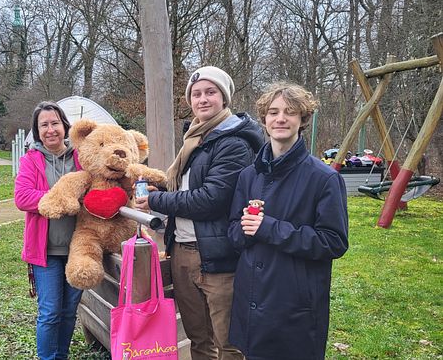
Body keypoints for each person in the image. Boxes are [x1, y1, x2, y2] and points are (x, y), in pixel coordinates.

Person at [134, 66, 263, 360]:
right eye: (196, 94)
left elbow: (211, 200)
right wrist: (156, 188)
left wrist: (158, 201)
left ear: (224, 98)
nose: (202, 99)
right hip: (182, 251)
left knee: (228, 342)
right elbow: (185, 187)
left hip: (218, 257)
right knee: (198, 338)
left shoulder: (234, 142)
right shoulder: (195, 140)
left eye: (210, 92)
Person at [227, 83, 349, 359]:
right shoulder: (248, 176)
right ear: (265, 121)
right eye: (273, 112)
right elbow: (234, 233)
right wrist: (246, 231)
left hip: (294, 308)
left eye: (290, 112)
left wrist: (269, 228)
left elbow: (334, 242)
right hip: (252, 302)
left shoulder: (324, 178)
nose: (280, 118)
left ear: (303, 120)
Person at [14, 101, 83, 360]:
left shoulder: (80, 157)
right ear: (37, 130)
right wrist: (63, 198)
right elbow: (22, 198)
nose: (50, 129)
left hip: (79, 248)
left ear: (65, 126)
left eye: (55, 123)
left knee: (69, 311)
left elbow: (94, 187)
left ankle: (61, 355)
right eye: (44, 125)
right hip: (46, 250)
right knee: (50, 311)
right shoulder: (31, 160)